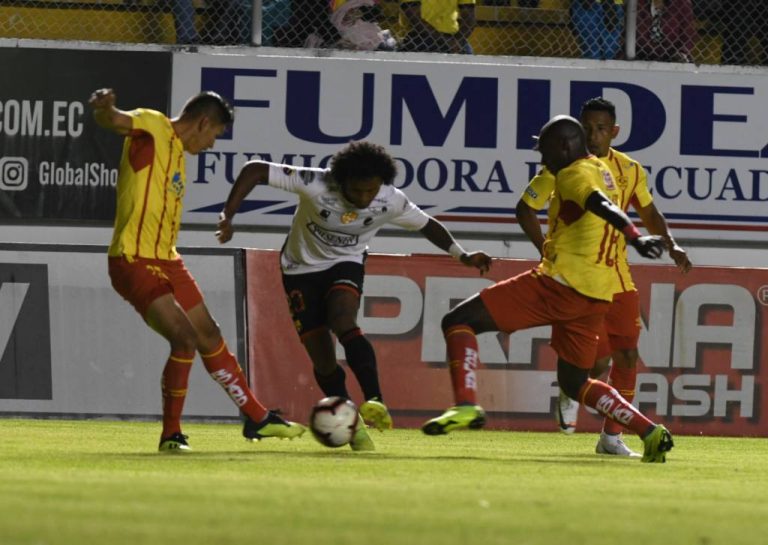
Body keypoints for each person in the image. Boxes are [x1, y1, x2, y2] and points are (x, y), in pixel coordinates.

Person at [422, 115, 675, 463]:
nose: (541, 159)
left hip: (559, 285)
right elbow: (600, 202)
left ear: (565, 146)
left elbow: (599, 204)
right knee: (575, 384)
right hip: (595, 295)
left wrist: (634, 237)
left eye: (544, 151)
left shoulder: (572, 174)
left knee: (457, 320)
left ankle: (465, 405)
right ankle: (650, 430)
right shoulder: (601, 167)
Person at [216, 140, 492, 450]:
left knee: (342, 318)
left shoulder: (390, 199)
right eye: (356, 190)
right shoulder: (316, 182)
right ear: (341, 179)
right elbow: (254, 170)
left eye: (369, 191)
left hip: (345, 263)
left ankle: (375, 399)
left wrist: (462, 254)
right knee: (323, 361)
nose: (363, 198)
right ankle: (355, 428)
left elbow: (427, 225)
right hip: (299, 270)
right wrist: (229, 215)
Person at [89, 88, 306, 453]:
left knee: (208, 333)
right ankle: (171, 436)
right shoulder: (154, 126)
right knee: (185, 339)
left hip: (166, 258)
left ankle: (257, 417)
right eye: (216, 134)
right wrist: (105, 108)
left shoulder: (178, 155)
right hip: (134, 260)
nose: (212, 143)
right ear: (203, 122)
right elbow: (115, 121)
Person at [515, 97, 692, 456]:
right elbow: (525, 209)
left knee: (627, 356)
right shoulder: (561, 165)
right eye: (587, 128)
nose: (593, 135)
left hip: (618, 278)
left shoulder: (630, 169)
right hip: (578, 277)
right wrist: (545, 247)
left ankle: (611, 438)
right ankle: (570, 388)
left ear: (614, 132)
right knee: (594, 364)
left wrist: (671, 244)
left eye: (600, 129)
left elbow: (649, 211)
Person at [398, 0, 476, 54]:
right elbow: (415, 19)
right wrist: (448, 42)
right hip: (420, 35)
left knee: (468, 57)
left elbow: (469, 19)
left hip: (454, 36)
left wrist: (458, 41)